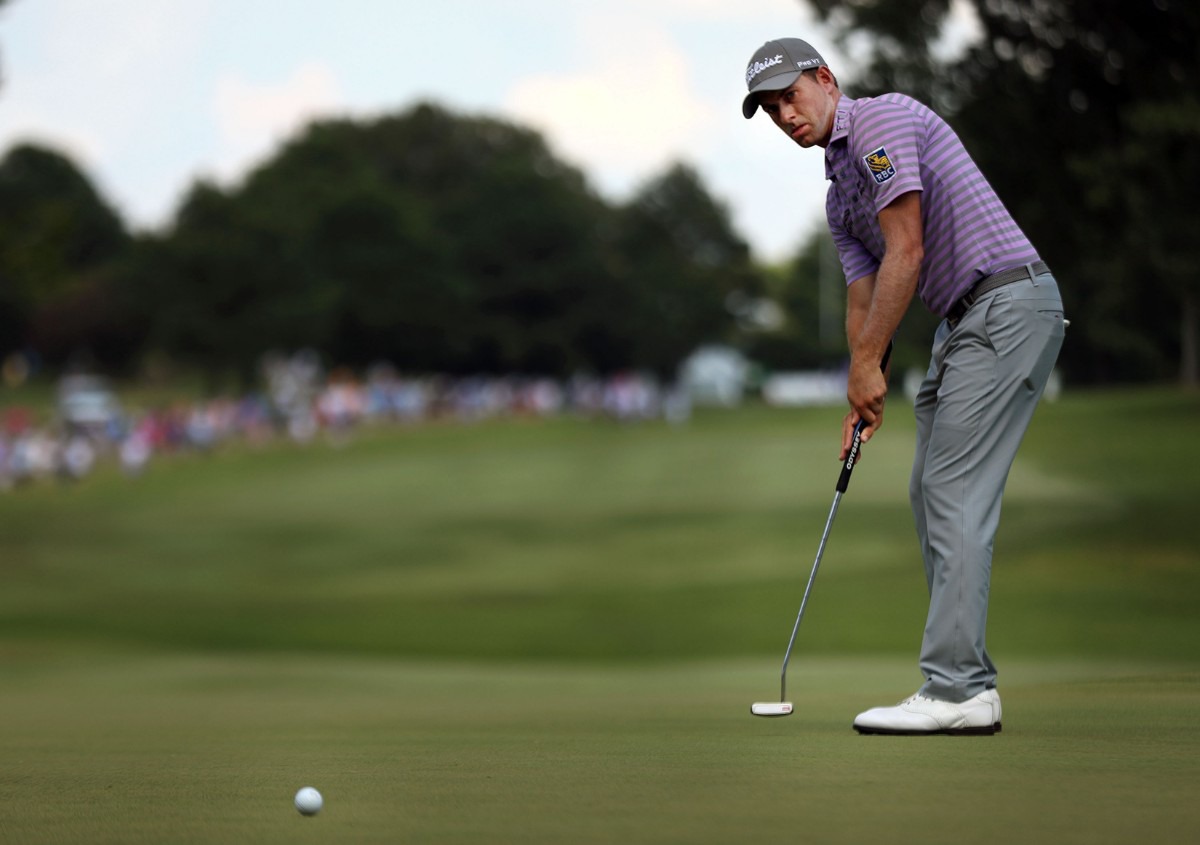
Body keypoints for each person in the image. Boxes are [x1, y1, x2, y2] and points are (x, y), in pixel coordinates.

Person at [742, 38, 1066, 735]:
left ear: (826, 79)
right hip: (965, 321)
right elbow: (864, 299)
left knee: (952, 489)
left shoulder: (883, 122)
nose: (786, 115)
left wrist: (870, 367)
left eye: (791, 96)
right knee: (930, 489)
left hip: (1006, 303)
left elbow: (908, 248)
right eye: (772, 110)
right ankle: (963, 679)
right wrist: (861, 386)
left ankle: (958, 690)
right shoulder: (838, 198)